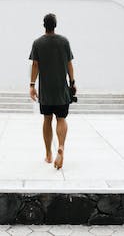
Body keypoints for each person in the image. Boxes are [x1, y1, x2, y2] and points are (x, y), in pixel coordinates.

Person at [28, 13, 75, 169]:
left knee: (47, 119)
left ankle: (48, 153)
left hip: (46, 91)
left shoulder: (37, 43)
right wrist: (72, 82)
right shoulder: (64, 42)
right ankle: (60, 146)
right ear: (55, 25)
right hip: (62, 90)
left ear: (44, 25)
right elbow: (69, 64)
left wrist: (32, 85)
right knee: (61, 119)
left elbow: (35, 65)